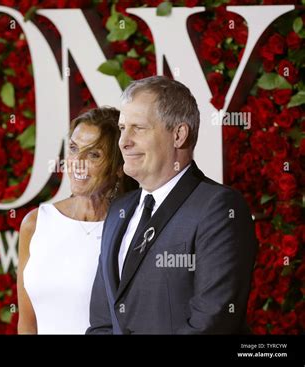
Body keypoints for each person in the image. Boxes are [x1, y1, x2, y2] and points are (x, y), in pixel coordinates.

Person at [87, 76, 258, 334]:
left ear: (178, 134)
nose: (124, 141)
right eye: (123, 128)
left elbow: (212, 322)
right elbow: (102, 320)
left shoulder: (219, 208)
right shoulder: (119, 210)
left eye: (138, 128)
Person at [17, 107, 137, 334]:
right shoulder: (35, 224)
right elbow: (27, 323)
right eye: (73, 149)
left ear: (119, 167)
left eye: (93, 154)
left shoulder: (132, 228)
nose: (77, 162)